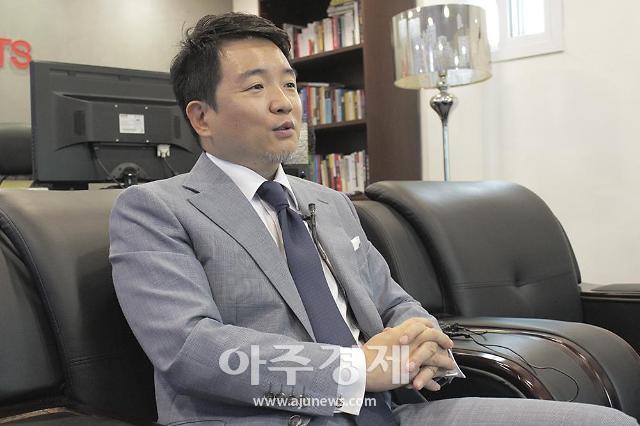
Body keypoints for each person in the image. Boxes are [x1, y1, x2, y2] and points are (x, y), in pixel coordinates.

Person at [109, 13, 637, 426]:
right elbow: (191, 350)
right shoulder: (157, 208)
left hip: (392, 412)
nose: (284, 103)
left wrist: (423, 340)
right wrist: (357, 369)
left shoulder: (331, 203)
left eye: (289, 84)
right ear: (201, 116)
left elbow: (393, 302)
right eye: (255, 87)